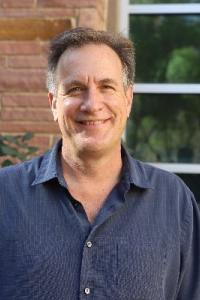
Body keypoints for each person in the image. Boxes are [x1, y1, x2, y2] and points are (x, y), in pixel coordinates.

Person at [0, 27, 199, 300]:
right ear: (53, 103)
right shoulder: (5, 195)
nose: (92, 104)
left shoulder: (174, 202)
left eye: (107, 86)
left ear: (128, 100)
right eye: (75, 89)